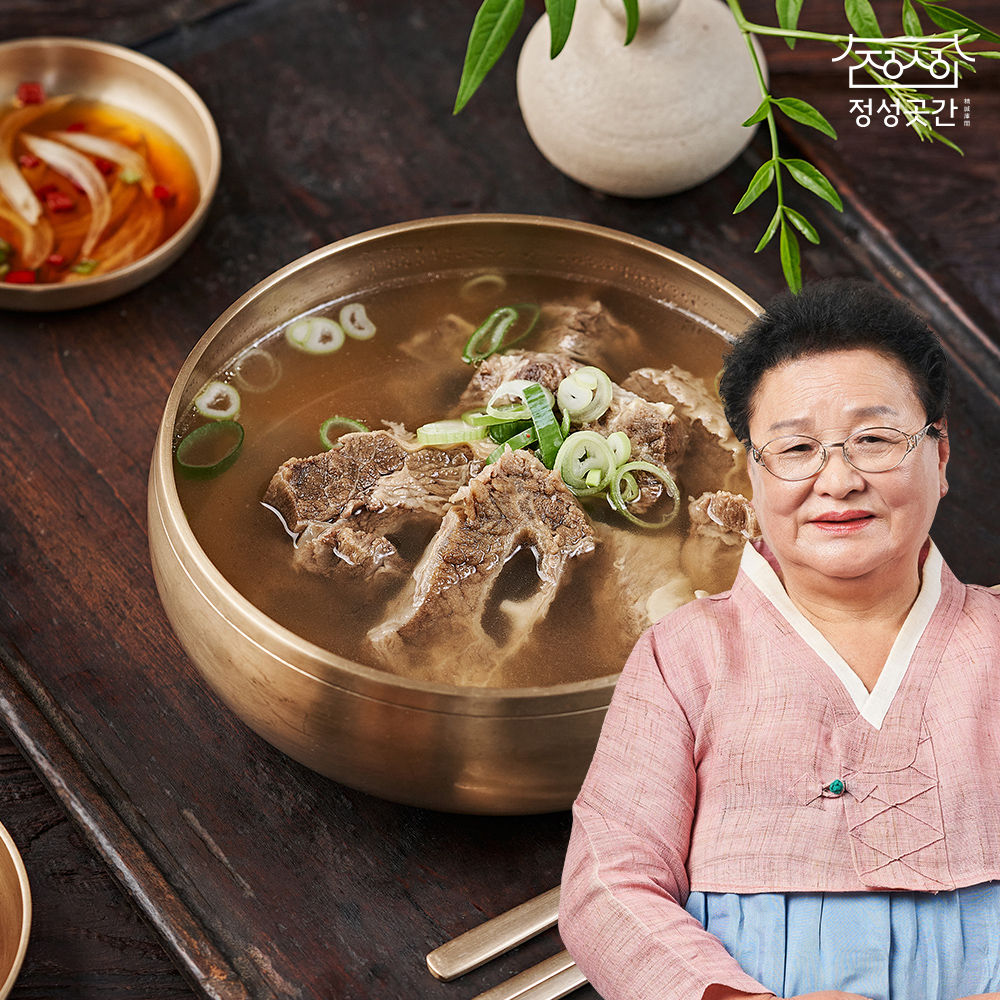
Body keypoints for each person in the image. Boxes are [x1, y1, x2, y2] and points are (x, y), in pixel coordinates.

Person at [559, 278, 1000, 1000]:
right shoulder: (686, 653)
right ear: (755, 474)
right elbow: (607, 881)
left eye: (876, 439)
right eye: (796, 447)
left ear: (940, 457)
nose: (838, 479)